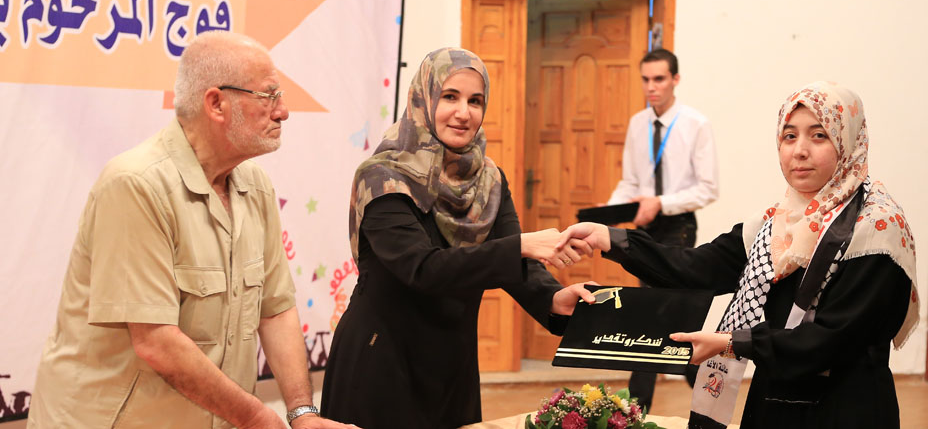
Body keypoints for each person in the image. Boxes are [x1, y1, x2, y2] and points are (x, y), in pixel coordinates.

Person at [28, 32, 352, 429]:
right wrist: (256, 418)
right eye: (268, 96)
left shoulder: (255, 186)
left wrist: (302, 414)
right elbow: (156, 342)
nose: (282, 112)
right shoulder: (135, 184)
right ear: (216, 104)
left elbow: (276, 309)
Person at [560, 81, 918, 429]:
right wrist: (612, 239)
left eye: (819, 135)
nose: (799, 150)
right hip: (774, 402)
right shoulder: (775, 224)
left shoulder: (876, 228)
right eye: (789, 136)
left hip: (845, 409)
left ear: (849, 141)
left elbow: (836, 338)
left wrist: (734, 342)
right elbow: (695, 268)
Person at [319, 47, 595, 429]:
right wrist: (522, 246)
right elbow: (422, 268)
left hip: (452, 366)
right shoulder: (384, 177)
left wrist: (552, 297)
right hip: (381, 362)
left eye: (475, 101)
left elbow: (517, 263)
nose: (464, 112)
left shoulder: (489, 180)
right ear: (424, 98)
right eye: (450, 96)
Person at [607, 48, 719, 410]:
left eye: (659, 79)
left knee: (655, 314)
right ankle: (709, 395)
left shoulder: (695, 123)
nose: (651, 87)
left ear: (675, 79)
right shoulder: (637, 124)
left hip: (678, 228)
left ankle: (635, 407)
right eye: (645, 80)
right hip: (645, 227)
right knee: (664, 315)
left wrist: (661, 203)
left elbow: (708, 188)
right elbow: (630, 182)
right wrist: (608, 214)